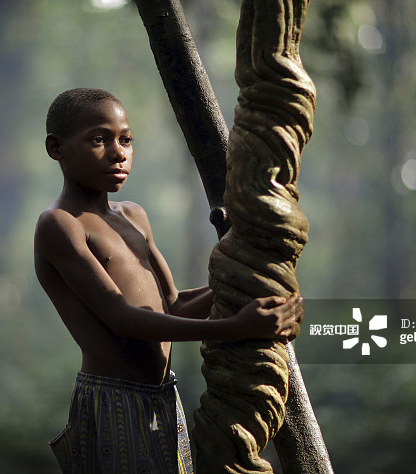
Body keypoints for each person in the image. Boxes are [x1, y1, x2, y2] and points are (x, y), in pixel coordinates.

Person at [33, 87, 303, 474]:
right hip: (113, 401)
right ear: (56, 147)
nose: (118, 152)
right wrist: (235, 327)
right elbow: (122, 320)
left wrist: (253, 283)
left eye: (125, 139)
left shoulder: (133, 216)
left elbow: (172, 304)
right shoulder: (60, 224)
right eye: (98, 139)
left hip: (164, 397)